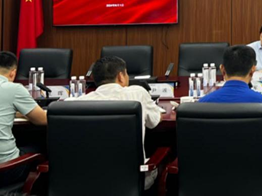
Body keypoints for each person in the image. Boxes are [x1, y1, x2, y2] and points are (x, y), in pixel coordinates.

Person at [65, 56, 162, 190]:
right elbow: (154, 121)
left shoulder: (72, 105)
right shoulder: (138, 94)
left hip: (84, 181)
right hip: (130, 180)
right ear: (121, 76)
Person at [199, 45, 262, 157]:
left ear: (222, 69)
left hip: (211, 167)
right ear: (253, 70)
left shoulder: (202, 103)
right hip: (256, 168)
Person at [0, 52, 47, 188]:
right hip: (5, 169)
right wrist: (25, 113)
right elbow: (42, 120)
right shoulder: (13, 88)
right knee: (42, 145)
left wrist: (16, 112)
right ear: (13, 73)